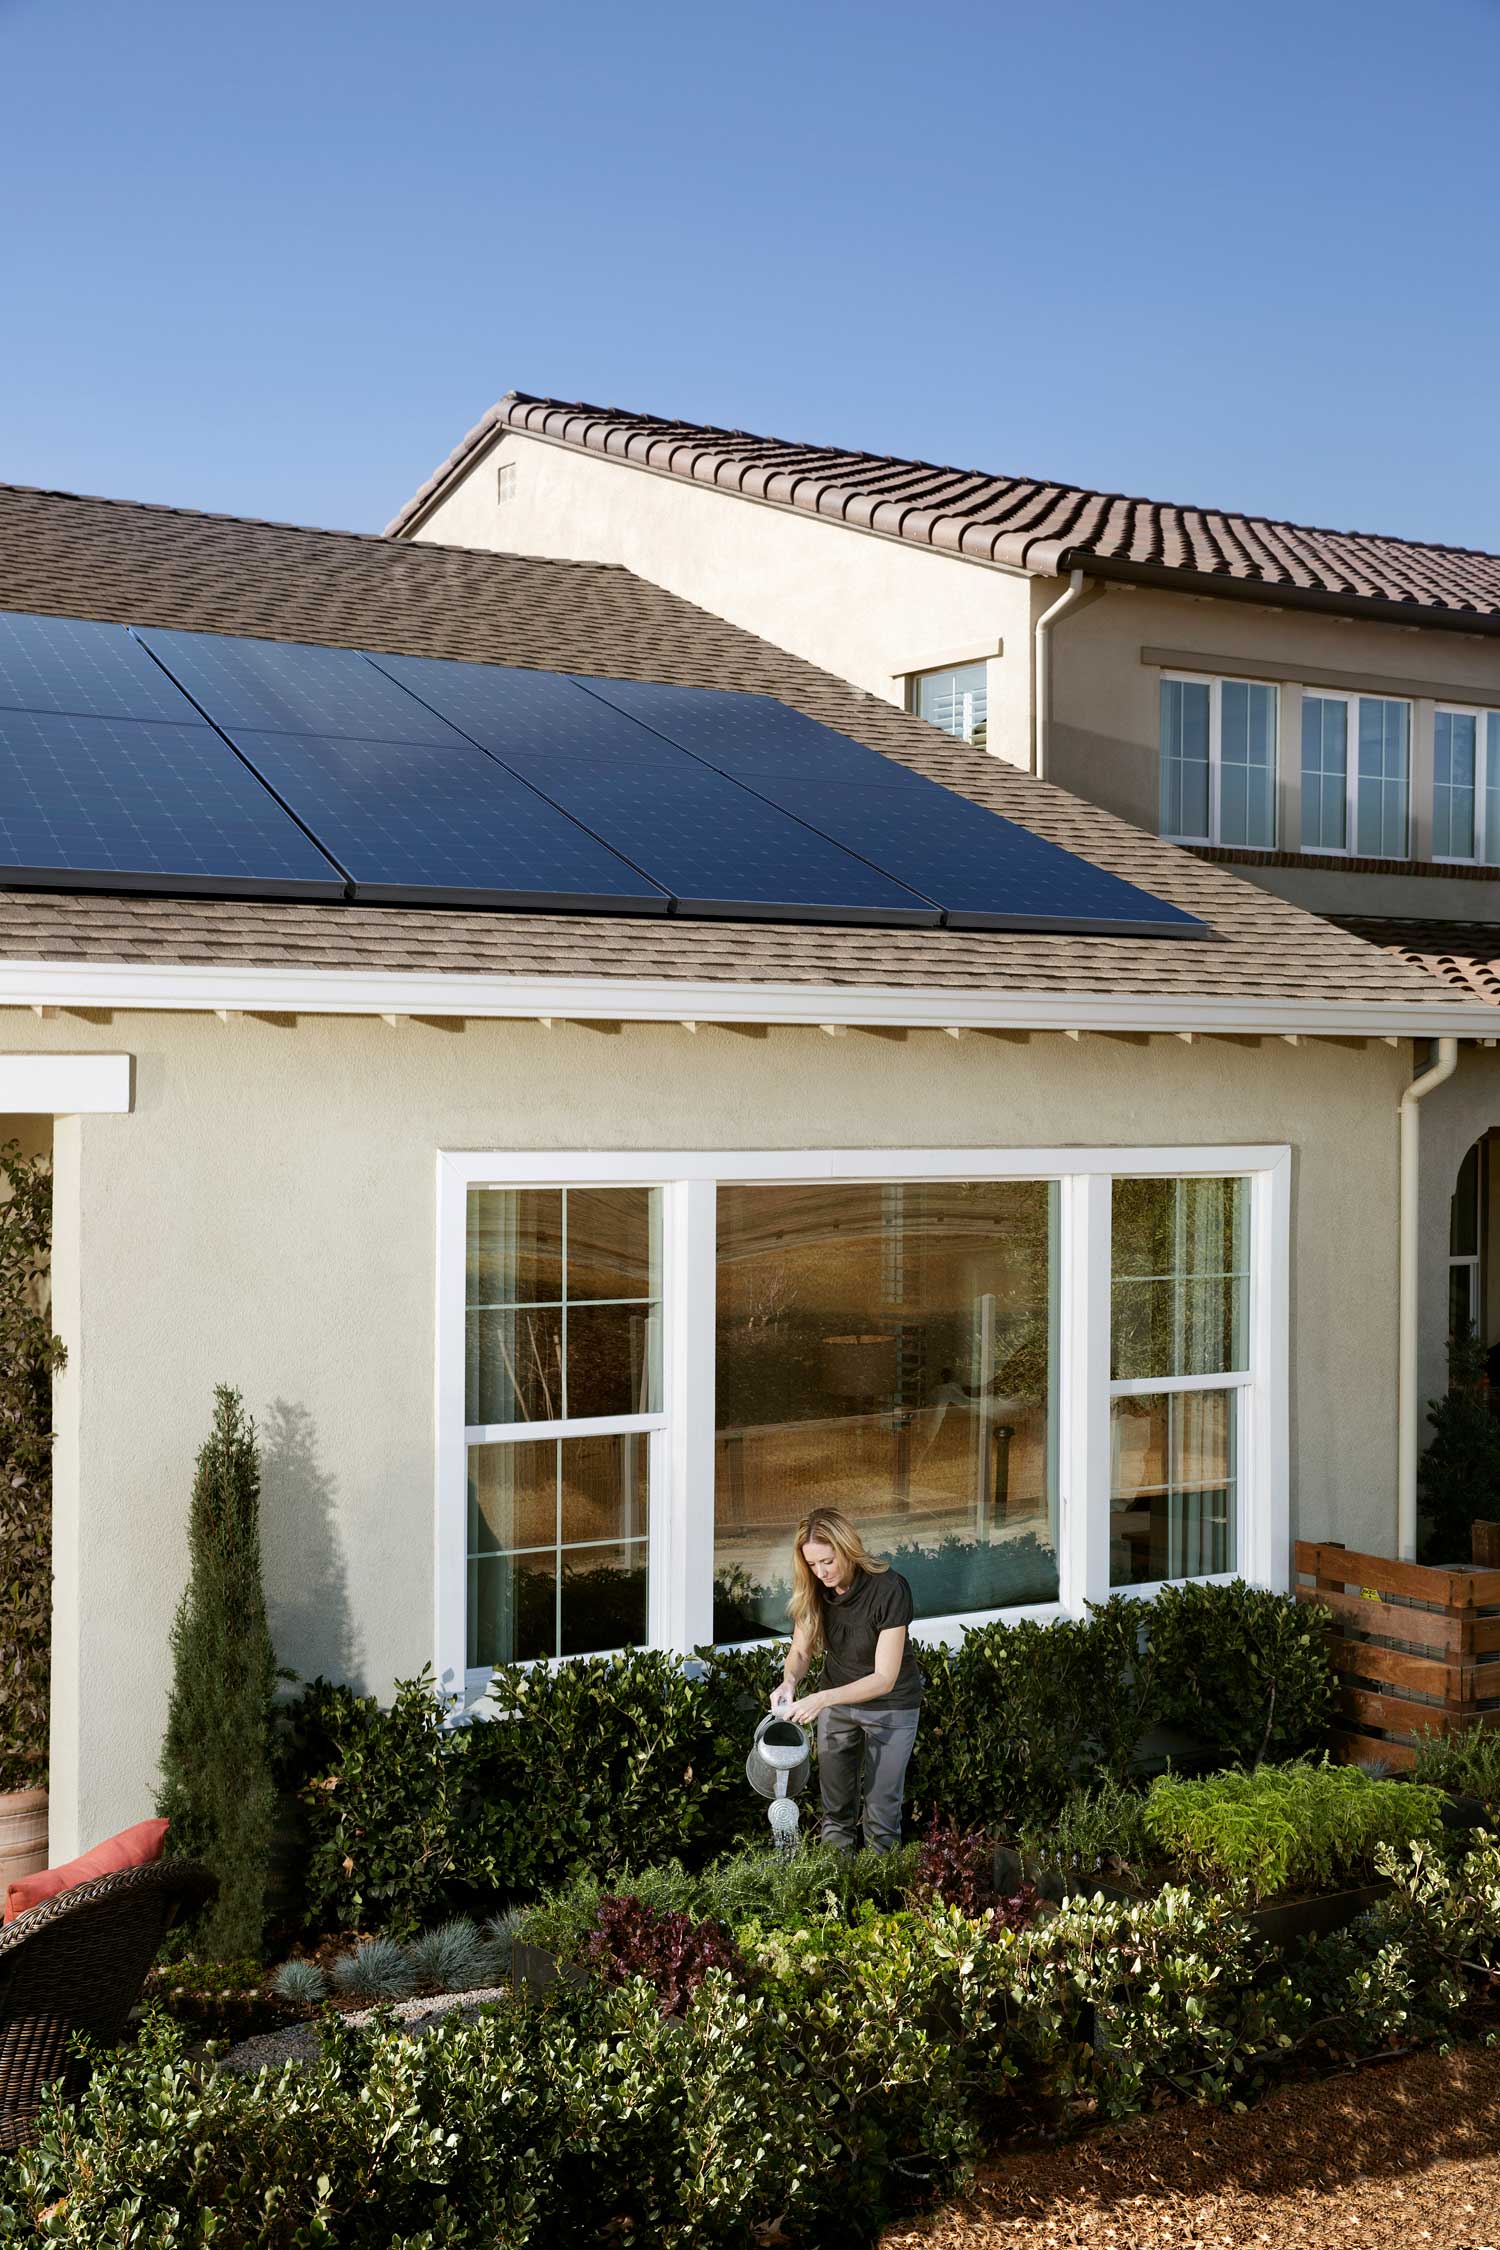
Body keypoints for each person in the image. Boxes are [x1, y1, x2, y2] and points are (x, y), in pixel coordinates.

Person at [771, 1508, 923, 1853]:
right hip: (839, 1708)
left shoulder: (889, 1589)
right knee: (836, 1813)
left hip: (891, 1709)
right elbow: (800, 1652)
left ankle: (882, 1898)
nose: (820, 1572)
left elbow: (884, 1679)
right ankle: (836, 1897)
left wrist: (821, 1699)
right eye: (812, 1564)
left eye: (827, 1561)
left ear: (847, 1548)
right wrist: (790, 1682)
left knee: (881, 1816)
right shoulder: (814, 1590)